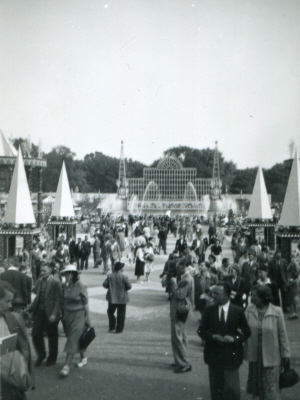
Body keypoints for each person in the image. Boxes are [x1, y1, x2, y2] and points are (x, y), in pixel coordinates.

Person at [197, 282, 251, 400]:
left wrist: (235, 339)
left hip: (231, 356)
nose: (213, 295)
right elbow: (201, 331)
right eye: (212, 292)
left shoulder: (238, 311)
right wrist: (211, 337)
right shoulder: (209, 310)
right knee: (216, 389)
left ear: (226, 295)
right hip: (213, 355)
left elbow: (247, 332)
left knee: (232, 389)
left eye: (216, 293)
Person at [244, 285, 290, 400]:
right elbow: (243, 329)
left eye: (254, 296)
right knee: (258, 388)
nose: (251, 298)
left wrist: (286, 354)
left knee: (271, 388)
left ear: (263, 297)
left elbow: (282, 335)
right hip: (255, 355)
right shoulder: (249, 309)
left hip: (272, 356)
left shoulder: (276, 311)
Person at [0, 281, 33, 400]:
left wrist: (24, 378)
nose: (10, 306)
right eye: (7, 301)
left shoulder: (13, 319)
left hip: (10, 381)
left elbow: (24, 349)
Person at [27, 262, 62, 367]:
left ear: (50, 270)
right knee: (35, 333)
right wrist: (29, 308)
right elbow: (36, 297)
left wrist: (54, 314)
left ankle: (52, 358)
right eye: (41, 270)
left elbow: (58, 300)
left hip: (50, 312)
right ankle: (41, 354)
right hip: (39, 311)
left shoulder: (55, 282)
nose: (42, 272)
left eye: (44, 271)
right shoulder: (39, 281)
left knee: (52, 336)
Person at [60, 264, 91, 376]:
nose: (65, 276)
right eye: (64, 274)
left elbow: (86, 303)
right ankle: (83, 357)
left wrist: (88, 318)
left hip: (79, 315)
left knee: (73, 338)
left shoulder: (81, 286)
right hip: (68, 316)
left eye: (67, 274)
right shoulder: (65, 286)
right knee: (74, 337)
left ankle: (66, 365)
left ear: (72, 274)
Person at [169, 259, 194, 373]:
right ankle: (180, 359)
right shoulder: (186, 278)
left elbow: (179, 295)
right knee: (182, 336)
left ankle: (183, 363)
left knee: (177, 337)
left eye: (178, 267)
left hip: (180, 310)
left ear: (184, 267)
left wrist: (174, 283)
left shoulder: (186, 280)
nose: (176, 269)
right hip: (183, 309)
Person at [103, 261, 132, 333]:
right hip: (122, 297)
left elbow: (104, 285)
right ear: (121, 269)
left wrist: (110, 287)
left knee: (110, 312)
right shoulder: (124, 277)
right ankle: (119, 329)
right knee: (121, 314)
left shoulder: (110, 276)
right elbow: (129, 286)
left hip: (112, 297)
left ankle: (112, 326)